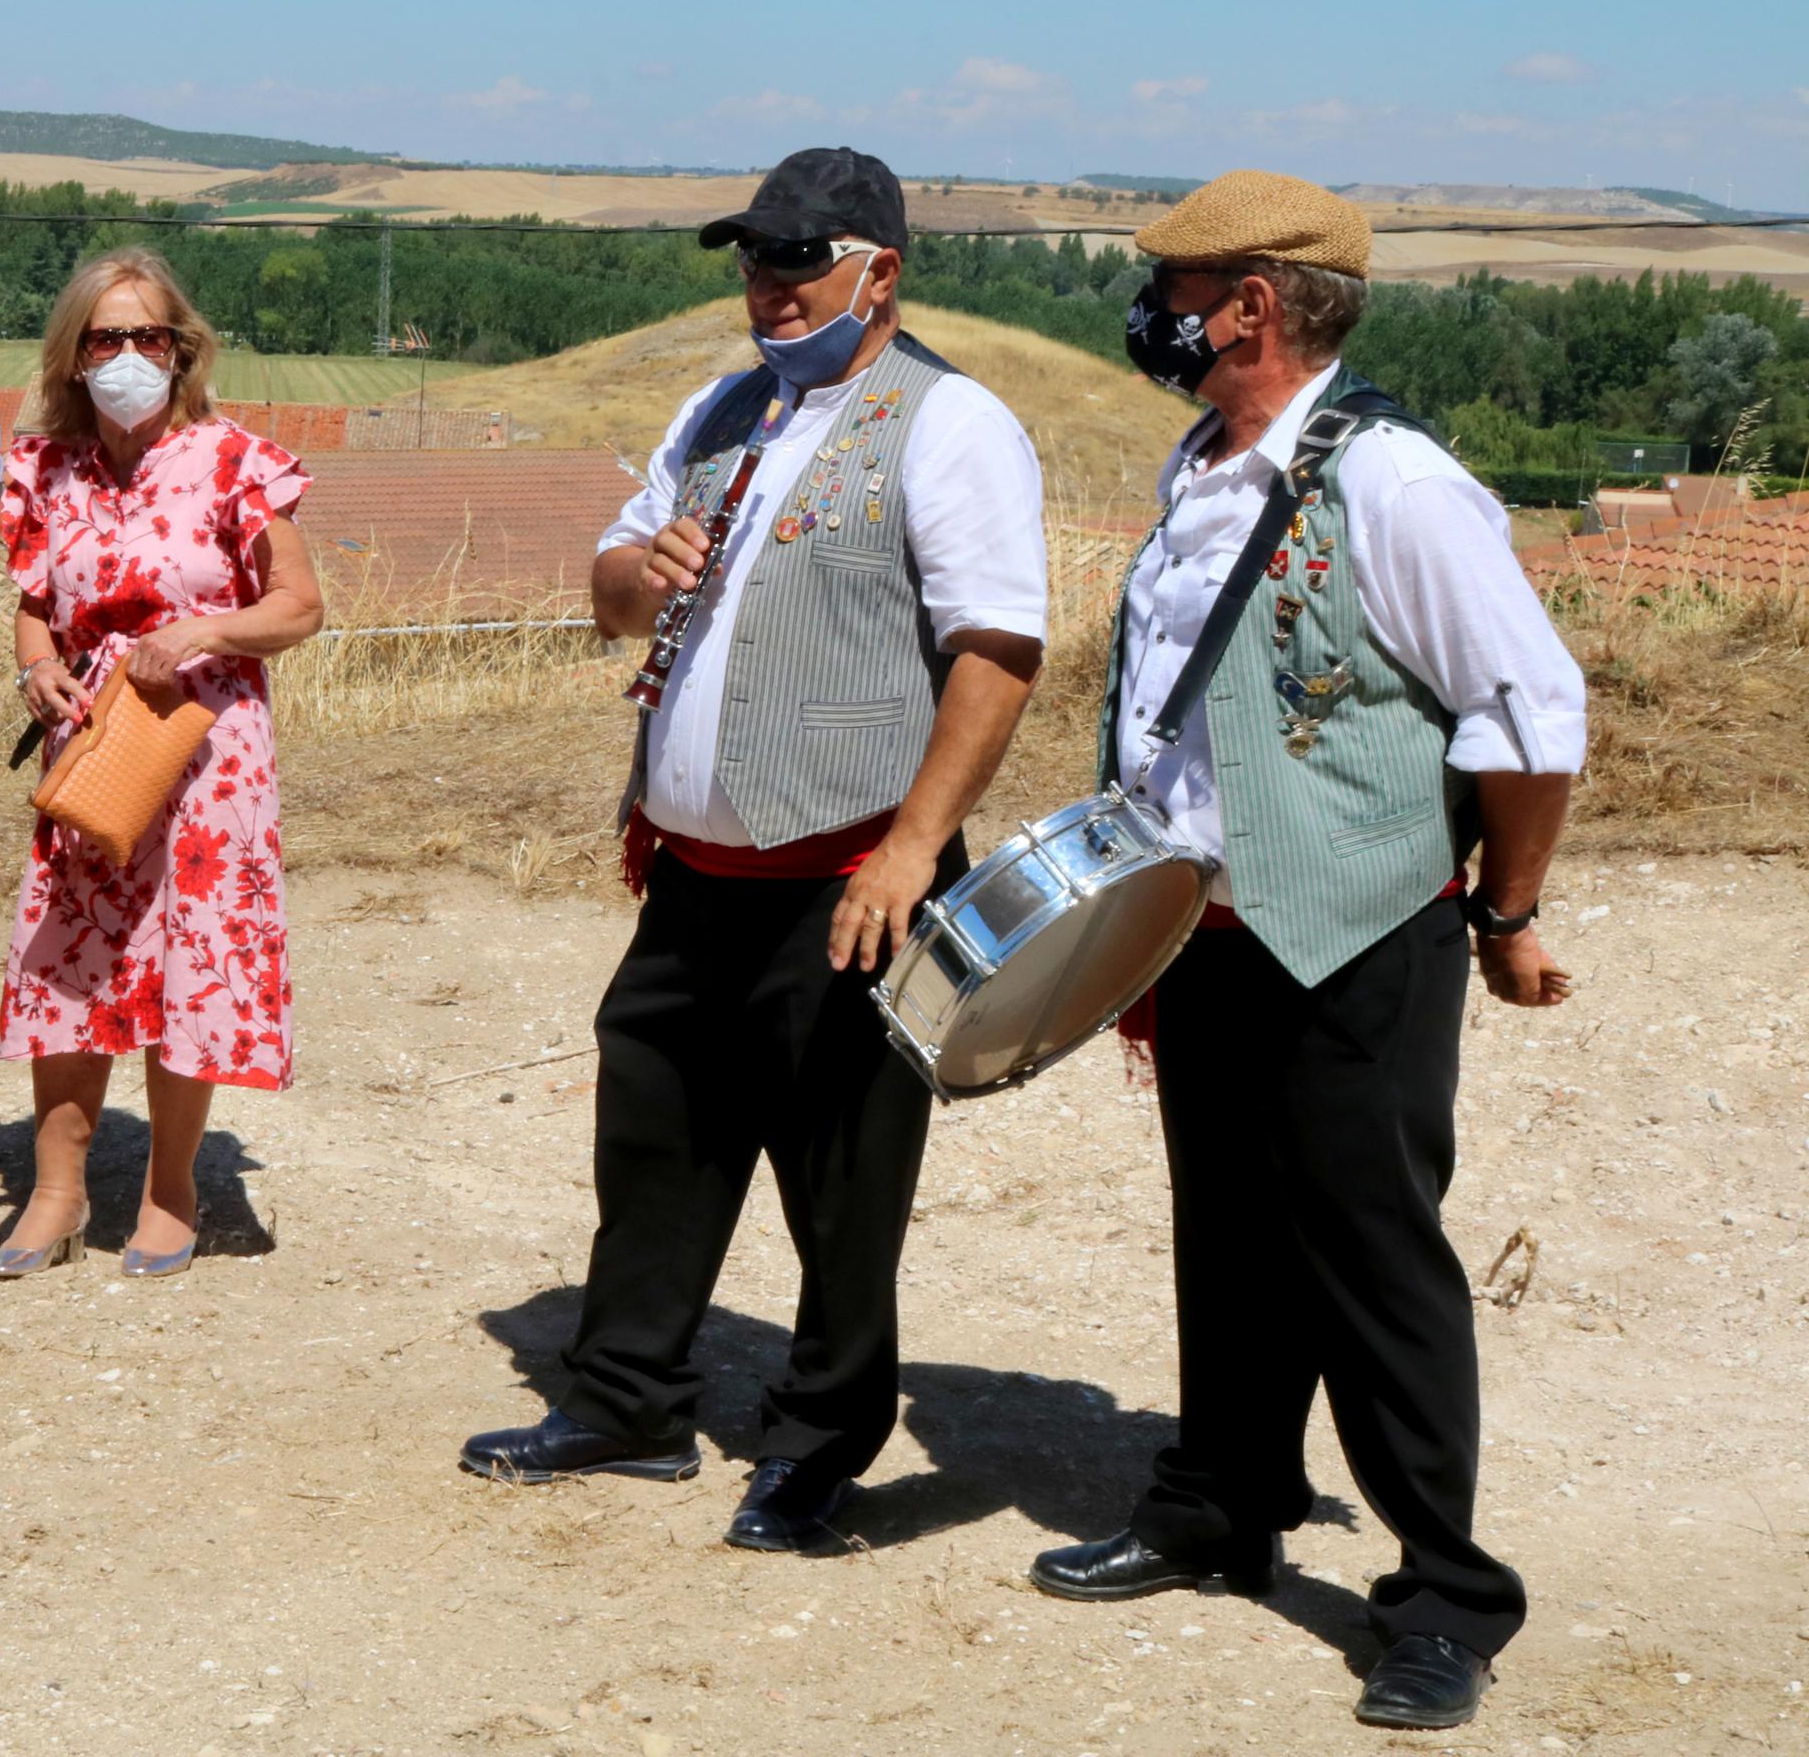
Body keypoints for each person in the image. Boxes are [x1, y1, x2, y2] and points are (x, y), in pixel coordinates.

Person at [1027, 171, 1584, 1734]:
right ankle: (1221, 1503)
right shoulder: (1202, 461)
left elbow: (1531, 712)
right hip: (1195, 920)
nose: (1156, 313)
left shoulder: (1397, 483)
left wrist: (1511, 909)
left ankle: (1446, 1598)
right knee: (1230, 1229)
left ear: (1252, 307)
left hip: (1353, 924)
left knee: (1372, 1257)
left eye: (1177, 288)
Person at [457, 148, 1050, 1556]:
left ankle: (819, 1444)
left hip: (852, 876)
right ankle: (628, 1399)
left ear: (880, 274)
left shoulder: (951, 424)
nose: (770, 290)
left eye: (800, 263)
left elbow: (1000, 651)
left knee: (843, 1175)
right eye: (754, 262)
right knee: (654, 1130)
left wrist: (914, 851)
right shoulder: (721, 408)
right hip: (694, 870)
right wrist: (631, 570)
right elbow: (607, 597)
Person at [0, 250, 323, 1280]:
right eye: (107, 337)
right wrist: (36, 670)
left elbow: (299, 605)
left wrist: (205, 629)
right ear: (75, 354)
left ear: (182, 351)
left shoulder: (236, 461)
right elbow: (37, 605)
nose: (130, 354)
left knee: (191, 954)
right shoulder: (43, 466)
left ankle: (172, 1188)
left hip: (207, 749)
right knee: (68, 958)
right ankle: (55, 1190)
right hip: (94, 745)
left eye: (150, 337)